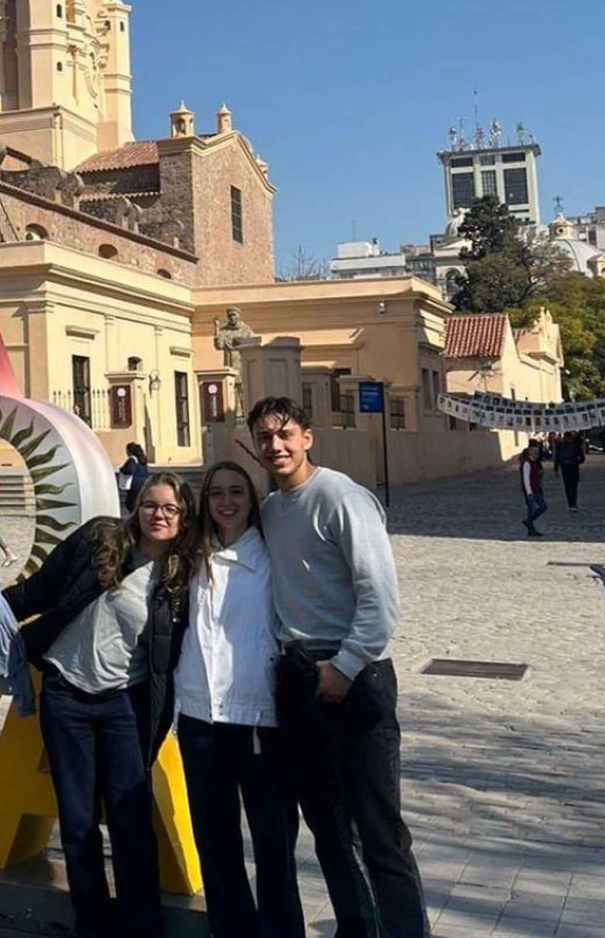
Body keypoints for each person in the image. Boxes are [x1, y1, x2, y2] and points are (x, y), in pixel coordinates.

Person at [248, 396, 427, 938]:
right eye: (264, 437)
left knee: (379, 829)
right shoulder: (271, 510)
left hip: (355, 674)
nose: (275, 446)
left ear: (307, 438)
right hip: (299, 678)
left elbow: (380, 597)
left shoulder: (342, 497)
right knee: (327, 826)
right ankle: (358, 927)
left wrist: (345, 666)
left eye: (285, 434)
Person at [0, 473, 193, 938]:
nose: (158, 515)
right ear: (136, 506)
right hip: (66, 695)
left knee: (130, 821)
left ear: (184, 518)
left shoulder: (182, 579)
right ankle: (93, 923)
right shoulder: (99, 541)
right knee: (78, 821)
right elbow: (38, 590)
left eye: (170, 508)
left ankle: (142, 926)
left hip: (125, 704)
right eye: (150, 505)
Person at [174, 461, 304, 938]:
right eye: (216, 493)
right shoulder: (190, 558)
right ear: (204, 503)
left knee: (274, 845)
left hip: (258, 719)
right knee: (215, 845)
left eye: (236, 492)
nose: (226, 502)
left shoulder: (270, 557)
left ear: (252, 500)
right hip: (200, 718)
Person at [519, 439, 547, 538]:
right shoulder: (527, 463)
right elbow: (526, 479)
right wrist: (529, 492)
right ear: (530, 452)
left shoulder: (534, 462)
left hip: (537, 488)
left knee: (541, 507)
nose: (537, 454)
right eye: (535, 452)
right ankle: (530, 527)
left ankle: (529, 523)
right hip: (531, 490)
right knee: (533, 508)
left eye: (537, 452)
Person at [554, 431, 585, 511]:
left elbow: (557, 458)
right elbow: (582, 458)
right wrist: (577, 462)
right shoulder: (575, 445)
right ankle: (574, 503)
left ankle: (569, 503)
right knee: (574, 486)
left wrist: (556, 469)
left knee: (567, 486)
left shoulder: (560, 445)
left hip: (564, 467)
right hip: (574, 467)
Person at [119, 442, 149, 516]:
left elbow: (130, 470)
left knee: (130, 503)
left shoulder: (132, 459)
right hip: (142, 484)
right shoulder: (142, 460)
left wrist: (122, 469)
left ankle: (134, 518)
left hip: (133, 485)